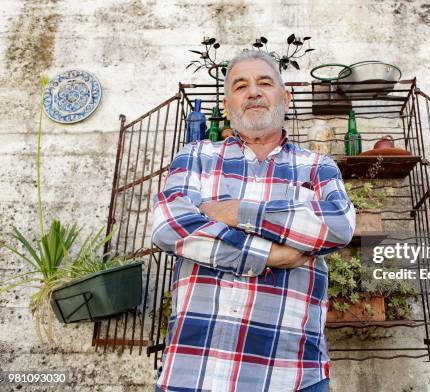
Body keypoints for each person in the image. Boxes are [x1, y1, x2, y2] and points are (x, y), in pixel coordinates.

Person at [151, 50, 356, 392]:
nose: (254, 92)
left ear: (286, 98)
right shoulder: (196, 157)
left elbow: (337, 225)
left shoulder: (317, 166)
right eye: (240, 85)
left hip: (291, 374)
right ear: (228, 103)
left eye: (265, 82)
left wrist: (236, 212)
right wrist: (271, 255)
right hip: (193, 369)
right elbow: (169, 225)